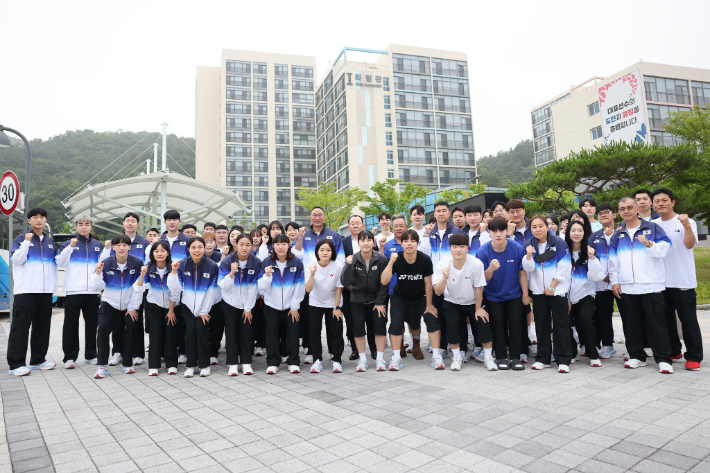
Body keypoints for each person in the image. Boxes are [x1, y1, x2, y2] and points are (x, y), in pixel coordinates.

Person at [610, 196, 673, 373]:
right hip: (627, 286)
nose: (626, 211)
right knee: (632, 323)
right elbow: (613, 261)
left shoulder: (652, 228)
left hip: (651, 285)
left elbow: (664, 249)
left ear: (638, 208)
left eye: (630, 207)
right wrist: (615, 281)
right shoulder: (618, 234)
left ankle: (663, 358)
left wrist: (649, 244)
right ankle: (637, 356)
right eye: (622, 209)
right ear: (619, 212)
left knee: (657, 324)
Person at [652, 187, 703, 371]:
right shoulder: (653, 224)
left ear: (673, 202)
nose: (661, 204)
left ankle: (695, 356)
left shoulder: (685, 221)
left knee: (688, 320)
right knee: (665, 320)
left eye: (664, 200)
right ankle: (674, 350)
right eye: (657, 201)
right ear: (653, 205)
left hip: (683, 280)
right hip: (660, 281)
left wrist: (687, 226)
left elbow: (689, 244)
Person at [7, 208, 58, 376]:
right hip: (26, 291)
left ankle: (38, 359)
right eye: (35, 217)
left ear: (45, 220)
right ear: (29, 221)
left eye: (42, 217)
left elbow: (56, 263)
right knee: (21, 327)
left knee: (42, 327)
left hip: (45, 291)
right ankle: (16, 364)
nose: (39, 220)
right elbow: (16, 260)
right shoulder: (21, 238)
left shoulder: (49, 241)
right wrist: (27, 243)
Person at [433, 233, 495, 371]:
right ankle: (456, 358)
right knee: (452, 326)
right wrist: (444, 278)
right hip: (452, 301)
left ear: (467, 248)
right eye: (455, 247)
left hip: (473, 301)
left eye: (462, 246)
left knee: (483, 323)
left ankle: (488, 357)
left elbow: (479, 287)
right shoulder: (442, 264)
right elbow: (437, 292)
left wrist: (478, 308)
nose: (458, 250)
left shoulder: (476, 263)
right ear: (450, 248)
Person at [476, 217, 530, 371]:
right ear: (489, 232)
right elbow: (482, 279)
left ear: (507, 230)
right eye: (494, 231)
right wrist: (490, 269)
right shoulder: (483, 251)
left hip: (514, 294)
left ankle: (515, 357)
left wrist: (525, 294)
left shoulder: (517, 248)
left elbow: (522, 273)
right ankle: (500, 357)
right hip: (493, 295)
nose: (498, 234)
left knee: (515, 321)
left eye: (501, 230)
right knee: (497, 322)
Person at [522, 215, 573, 373]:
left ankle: (563, 359)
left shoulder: (558, 242)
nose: (538, 230)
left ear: (547, 227)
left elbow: (565, 266)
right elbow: (529, 269)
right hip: (538, 291)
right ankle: (543, 358)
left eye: (540, 226)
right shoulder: (530, 244)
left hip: (557, 290)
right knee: (542, 324)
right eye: (534, 227)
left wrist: (552, 286)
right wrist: (529, 256)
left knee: (560, 324)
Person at [294, 207, 345, 363]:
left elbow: (340, 258)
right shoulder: (304, 234)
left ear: (324, 217)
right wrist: (300, 237)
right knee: (311, 324)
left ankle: (333, 353)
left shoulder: (334, 235)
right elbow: (296, 253)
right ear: (310, 217)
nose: (317, 217)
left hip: (331, 284)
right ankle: (311, 352)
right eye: (314, 215)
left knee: (333, 325)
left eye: (320, 215)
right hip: (310, 282)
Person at [381, 229, 437, 370]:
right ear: (402, 243)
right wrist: (390, 262)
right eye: (406, 241)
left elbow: (428, 284)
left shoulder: (424, 259)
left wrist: (429, 305)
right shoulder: (397, 258)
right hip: (400, 296)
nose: (409, 243)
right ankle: (396, 357)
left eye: (412, 241)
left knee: (432, 320)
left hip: (419, 297)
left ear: (417, 243)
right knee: (395, 324)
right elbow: (384, 280)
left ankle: (436, 356)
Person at [100, 212, 151, 366]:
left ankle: (137, 353)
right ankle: (117, 352)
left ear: (138, 224)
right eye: (127, 221)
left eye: (133, 221)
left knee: (135, 321)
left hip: (136, 286)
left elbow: (149, 262)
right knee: (117, 325)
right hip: (116, 292)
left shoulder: (145, 242)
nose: (130, 223)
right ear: (123, 224)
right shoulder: (116, 241)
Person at [91, 234, 144, 378]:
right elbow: (95, 287)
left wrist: (132, 307)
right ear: (113, 247)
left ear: (129, 247)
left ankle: (128, 363)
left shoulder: (137, 263)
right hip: (109, 303)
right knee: (102, 329)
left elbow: (139, 288)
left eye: (124, 245)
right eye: (118, 245)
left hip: (129, 305)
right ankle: (102, 365)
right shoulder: (105, 263)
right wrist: (98, 273)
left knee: (130, 330)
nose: (121, 248)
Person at [55, 215, 104, 369]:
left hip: (92, 291)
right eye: (81, 224)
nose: (84, 227)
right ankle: (69, 357)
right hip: (73, 290)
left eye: (87, 224)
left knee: (92, 324)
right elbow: (59, 262)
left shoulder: (97, 244)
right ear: (75, 226)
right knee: (70, 324)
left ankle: (91, 355)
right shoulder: (67, 244)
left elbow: (103, 264)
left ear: (91, 226)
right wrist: (70, 247)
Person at [167, 236, 219, 377]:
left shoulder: (212, 266)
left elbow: (212, 291)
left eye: (200, 247)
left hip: (206, 307)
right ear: (188, 249)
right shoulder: (182, 264)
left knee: (201, 329)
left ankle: (204, 365)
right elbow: (175, 288)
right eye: (193, 247)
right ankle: (190, 365)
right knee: (190, 331)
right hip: (188, 306)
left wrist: (203, 311)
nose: (197, 250)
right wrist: (173, 272)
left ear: (204, 248)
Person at [418, 201, 464, 358]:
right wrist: (425, 234)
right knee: (439, 314)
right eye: (438, 211)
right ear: (435, 214)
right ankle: (442, 346)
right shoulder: (430, 233)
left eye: (444, 210)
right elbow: (423, 252)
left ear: (448, 213)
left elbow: (463, 253)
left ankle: (461, 348)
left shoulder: (457, 231)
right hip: (436, 279)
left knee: (457, 316)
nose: (441, 213)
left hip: (455, 279)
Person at [257, 234, 306, 374]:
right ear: (273, 246)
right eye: (277, 244)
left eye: (283, 244)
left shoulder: (296, 262)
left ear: (288, 245)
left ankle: (293, 361)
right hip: (272, 305)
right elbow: (262, 287)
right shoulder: (267, 262)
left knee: (292, 333)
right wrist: (267, 276)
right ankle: (272, 362)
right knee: (271, 333)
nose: (280, 247)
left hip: (291, 305)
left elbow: (299, 286)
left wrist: (295, 306)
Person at [341, 231, 388, 372]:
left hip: (376, 301)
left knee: (379, 328)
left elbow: (383, 283)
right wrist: (348, 265)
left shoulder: (381, 258)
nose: (366, 243)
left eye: (369, 240)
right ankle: (362, 359)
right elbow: (345, 282)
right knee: (358, 329)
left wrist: (380, 303)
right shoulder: (353, 259)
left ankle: (380, 359)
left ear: (374, 242)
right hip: (357, 301)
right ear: (358, 243)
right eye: (363, 240)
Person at [132, 241, 180, 375]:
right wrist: (142, 274)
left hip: (171, 306)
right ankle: (153, 364)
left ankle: (171, 364)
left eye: (162, 251)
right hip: (154, 306)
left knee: (171, 334)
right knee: (155, 334)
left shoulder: (173, 268)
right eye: (156, 251)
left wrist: (171, 311)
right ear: (152, 253)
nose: (159, 253)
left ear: (168, 253)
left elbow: (175, 291)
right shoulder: (148, 267)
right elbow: (138, 287)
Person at [218, 233, 261, 376]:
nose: (244, 247)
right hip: (230, 303)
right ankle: (232, 364)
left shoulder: (256, 262)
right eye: (241, 244)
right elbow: (224, 286)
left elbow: (254, 287)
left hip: (248, 304)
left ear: (251, 246)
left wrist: (248, 308)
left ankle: (246, 363)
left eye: (248, 244)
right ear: (235, 244)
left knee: (247, 333)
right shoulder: (227, 261)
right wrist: (232, 273)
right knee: (231, 334)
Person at [565, 220, 605, 366]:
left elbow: (597, 277)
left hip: (585, 294)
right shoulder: (563, 251)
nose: (576, 233)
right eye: (573, 230)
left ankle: (592, 353)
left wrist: (592, 258)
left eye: (580, 230)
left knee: (586, 319)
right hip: (565, 295)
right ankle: (571, 352)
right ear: (568, 233)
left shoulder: (590, 251)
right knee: (565, 322)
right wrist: (566, 298)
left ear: (584, 233)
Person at [382, 216, 422, 360]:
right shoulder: (388, 245)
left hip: (414, 290)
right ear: (392, 228)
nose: (399, 228)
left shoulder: (414, 243)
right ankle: (401, 345)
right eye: (396, 226)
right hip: (395, 290)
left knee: (413, 320)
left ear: (406, 227)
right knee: (398, 319)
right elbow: (385, 267)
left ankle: (416, 345)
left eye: (401, 225)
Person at [305, 239, 345, 373]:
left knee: (335, 331)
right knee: (314, 331)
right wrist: (312, 274)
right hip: (315, 302)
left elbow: (339, 288)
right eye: (321, 250)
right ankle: (317, 360)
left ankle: (337, 360)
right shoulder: (311, 265)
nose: (325, 252)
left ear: (332, 251)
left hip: (333, 302)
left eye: (328, 250)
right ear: (317, 252)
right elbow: (308, 289)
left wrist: (336, 307)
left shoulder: (338, 265)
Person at [159, 210, 191, 364]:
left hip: (183, 287)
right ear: (165, 222)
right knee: (166, 321)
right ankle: (167, 351)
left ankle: (183, 351)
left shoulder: (188, 240)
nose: (172, 222)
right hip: (163, 287)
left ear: (179, 222)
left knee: (182, 321)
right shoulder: (159, 241)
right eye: (169, 220)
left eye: (175, 220)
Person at [588, 203, 618, 359]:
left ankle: (637, 347)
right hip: (600, 284)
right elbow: (591, 258)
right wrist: (603, 275)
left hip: (620, 283)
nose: (603, 215)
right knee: (603, 316)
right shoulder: (594, 236)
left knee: (629, 316)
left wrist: (613, 276)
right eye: (600, 213)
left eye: (607, 212)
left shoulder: (621, 233)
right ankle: (607, 345)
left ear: (614, 214)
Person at [341, 215, 365, 360]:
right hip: (349, 288)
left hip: (367, 288)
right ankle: (355, 349)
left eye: (358, 223)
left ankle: (374, 349)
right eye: (352, 224)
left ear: (363, 225)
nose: (355, 226)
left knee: (368, 319)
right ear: (348, 227)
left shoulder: (369, 241)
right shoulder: (342, 243)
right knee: (351, 319)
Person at [202, 233, 225, 365]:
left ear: (215, 243)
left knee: (217, 326)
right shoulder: (198, 255)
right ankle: (204, 351)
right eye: (206, 241)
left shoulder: (220, 255)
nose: (208, 244)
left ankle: (214, 352)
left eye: (211, 242)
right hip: (203, 298)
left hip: (218, 298)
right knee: (203, 327)